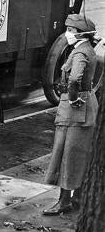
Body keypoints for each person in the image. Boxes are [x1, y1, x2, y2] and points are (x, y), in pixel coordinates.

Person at [43, 14, 99, 215]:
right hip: (84, 108)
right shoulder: (86, 50)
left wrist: (73, 98)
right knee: (78, 153)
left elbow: (74, 79)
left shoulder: (79, 54)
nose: (67, 34)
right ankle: (78, 197)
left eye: (71, 30)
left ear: (80, 34)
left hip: (75, 109)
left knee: (68, 154)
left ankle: (64, 201)